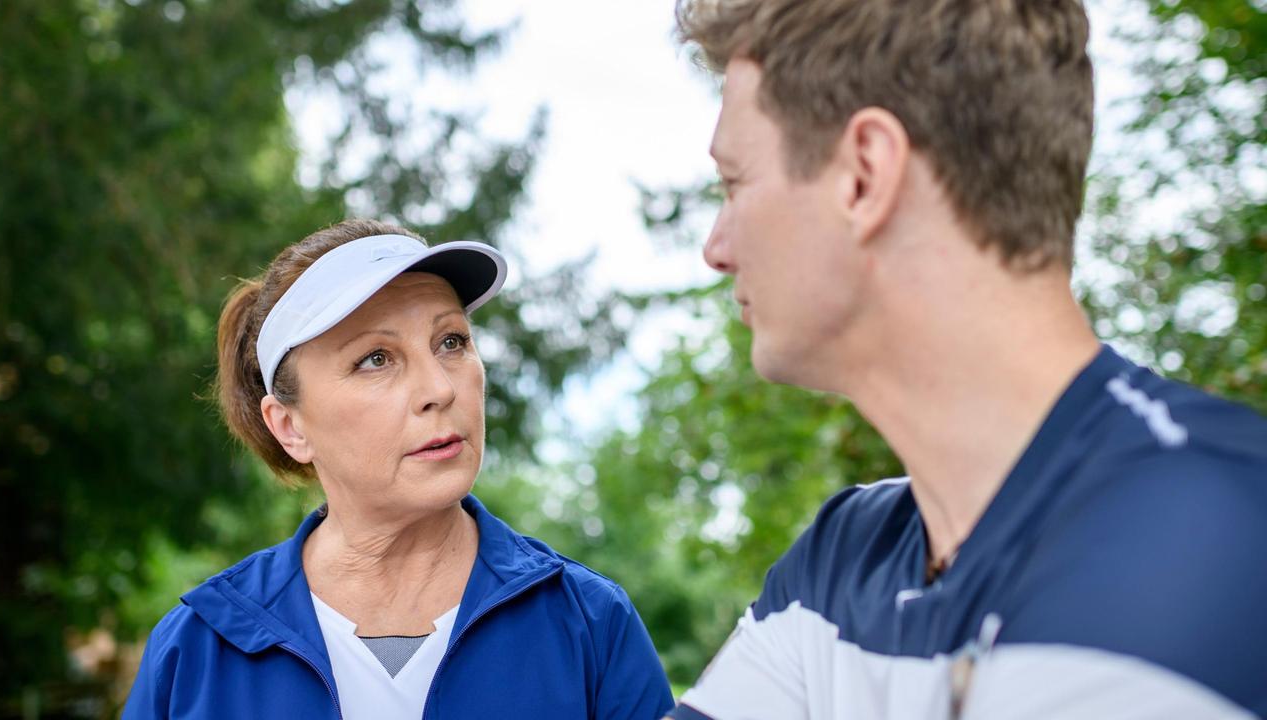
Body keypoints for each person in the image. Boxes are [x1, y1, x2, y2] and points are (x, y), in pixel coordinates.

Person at [667, 1, 1267, 718]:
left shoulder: (1206, 534)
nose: (716, 249)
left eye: (734, 185)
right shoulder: (838, 562)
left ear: (864, 173)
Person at [123, 219, 674, 719]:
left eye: (451, 342)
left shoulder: (591, 625)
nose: (440, 388)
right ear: (290, 426)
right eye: (375, 359)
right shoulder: (196, 650)